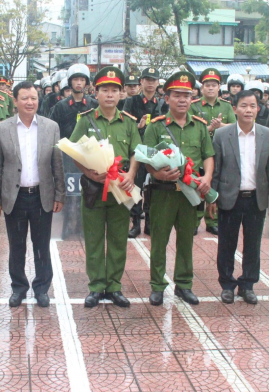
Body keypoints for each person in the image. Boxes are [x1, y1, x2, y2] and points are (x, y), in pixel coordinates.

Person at [0, 80, 65, 308]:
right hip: (15, 197)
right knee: (16, 245)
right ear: (15, 101)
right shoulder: (2, 129)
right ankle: (18, 288)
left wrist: (60, 194)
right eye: (25, 98)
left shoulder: (51, 127)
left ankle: (42, 288)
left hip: (42, 195)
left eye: (33, 98)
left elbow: (57, 164)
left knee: (42, 245)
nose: (30, 102)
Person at [71, 66, 139, 308]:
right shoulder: (86, 120)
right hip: (94, 189)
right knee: (94, 238)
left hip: (121, 189)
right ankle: (97, 286)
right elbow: (73, 150)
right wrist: (88, 172)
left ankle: (115, 286)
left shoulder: (129, 123)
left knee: (119, 238)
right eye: (104, 90)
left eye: (114, 90)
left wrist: (131, 173)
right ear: (95, 92)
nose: (110, 95)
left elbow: (136, 153)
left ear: (122, 94)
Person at [144, 70, 214, 306]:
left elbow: (208, 155)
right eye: (177, 95)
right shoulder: (156, 126)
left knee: (186, 240)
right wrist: (157, 173)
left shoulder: (200, 126)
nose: (182, 100)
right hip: (163, 193)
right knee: (159, 241)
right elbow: (145, 157)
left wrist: (208, 179)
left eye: (187, 95)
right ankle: (157, 286)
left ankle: (184, 284)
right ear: (167, 98)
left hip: (190, 195)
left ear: (192, 97)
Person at [208, 89, 269, 305]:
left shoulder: (268, 135)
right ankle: (227, 285)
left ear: (258, 108)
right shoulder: (222, 134)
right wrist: (211, 197)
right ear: (234, 109)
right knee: (226, 243)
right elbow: (216, 169)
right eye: (243, 106)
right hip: (230, 197)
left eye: (253, 106)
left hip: (256, 198)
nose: (248, 110)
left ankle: (247, 284)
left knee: (253, 245)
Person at [189, 68, 236, 236]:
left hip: (220, 151)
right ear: (202, 88)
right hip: (200, 152)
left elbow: (233, 126)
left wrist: (219, 127)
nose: (210, 88)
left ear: (219, 88)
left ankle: (212, 221)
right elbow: (191, 128)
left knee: (216, 185)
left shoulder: (226, 106)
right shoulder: (193, 106)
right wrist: (209, 128)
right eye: (207, 85)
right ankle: (194, 221)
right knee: (198, 185)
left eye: (214, 85)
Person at [123, 67, 162, 237]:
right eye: (147, 80)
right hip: (137, 150)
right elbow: (125, 125)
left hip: (155, 151)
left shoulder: (162, 103)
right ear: (141, 82)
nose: (150, 83)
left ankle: (151, 223)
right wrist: (138, 127)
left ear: (158, 83)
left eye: (154, 80)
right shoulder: (132, 102)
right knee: (136, 187)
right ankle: (136, 223)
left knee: (153, 188)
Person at [50, 64, 97, 139]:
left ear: (86, 83)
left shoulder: (94, 105)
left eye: (82, 80)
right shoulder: (61, 106)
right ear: (70, 82)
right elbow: (51, 130)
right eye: (75, 79)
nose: (79, 83)